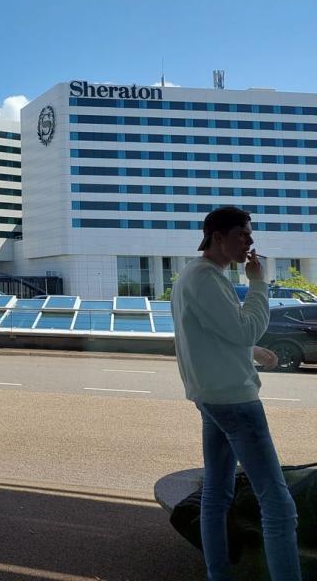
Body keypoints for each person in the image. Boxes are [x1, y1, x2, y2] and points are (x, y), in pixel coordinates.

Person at [171, 206, 300, 581]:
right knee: (278, 505)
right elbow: (245, 330)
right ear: (218, 237)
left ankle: (218, 575)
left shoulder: (189, 277)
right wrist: (259, 284)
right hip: (236, 403)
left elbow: (210, 333)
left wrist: (252, 353)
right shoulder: (207, 278)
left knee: (216, 494)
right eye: (243, 233)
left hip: (210, 398)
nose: (249, 241)